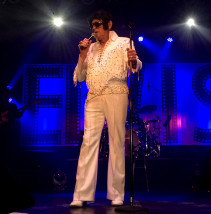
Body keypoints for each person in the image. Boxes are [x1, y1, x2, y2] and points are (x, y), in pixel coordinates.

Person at [70, 10, 142, 208]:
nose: (94, 29)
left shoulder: (124, 42)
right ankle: (81, 194)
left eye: (98, 25)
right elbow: (81, 76)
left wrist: (134, 61)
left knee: (116, 141)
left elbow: (135, 65)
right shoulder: (90, 48)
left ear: (108, 24)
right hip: (93, 96)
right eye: (92, 25)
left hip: (116, 92)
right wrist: (82, 54)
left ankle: (116, 193)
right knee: (88, 142)